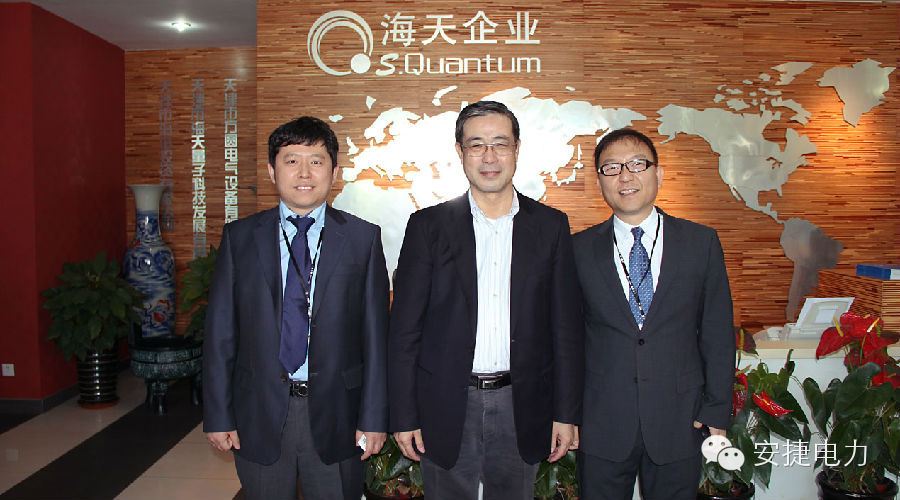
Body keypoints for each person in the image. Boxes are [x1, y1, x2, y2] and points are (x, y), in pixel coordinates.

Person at [388, 100, 584, 500]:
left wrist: (565, 413)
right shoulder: (428, 226)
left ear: (517, 149)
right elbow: (404, 331)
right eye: (476, 145)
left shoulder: (551, 226)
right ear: (460, 152)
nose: (489, 157)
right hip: (445, 405)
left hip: (522, 405)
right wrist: (403, 414)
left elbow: (565, 330)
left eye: (500, 144)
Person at [202, 116, 389, 500]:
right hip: (258, 412)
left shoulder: (362, 239)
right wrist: (218, 414)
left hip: (338, 413)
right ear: (273, 171)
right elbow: (220, 335)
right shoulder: (240, 238)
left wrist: (373, 417)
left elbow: (375, 338)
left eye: (316, 161)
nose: (304, 172)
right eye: (291, 161)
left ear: (334, 172)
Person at [573, 128, 735, 500]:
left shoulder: (700, 243)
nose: (624, 176)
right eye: (611, 168)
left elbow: (717, 333)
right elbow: (567, 339)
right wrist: (566, 413)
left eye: (636, 164)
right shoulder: (577, 250)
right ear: (599, 182)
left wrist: (716, 408)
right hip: (601, 421)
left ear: (658, 174)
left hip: (680, 418)